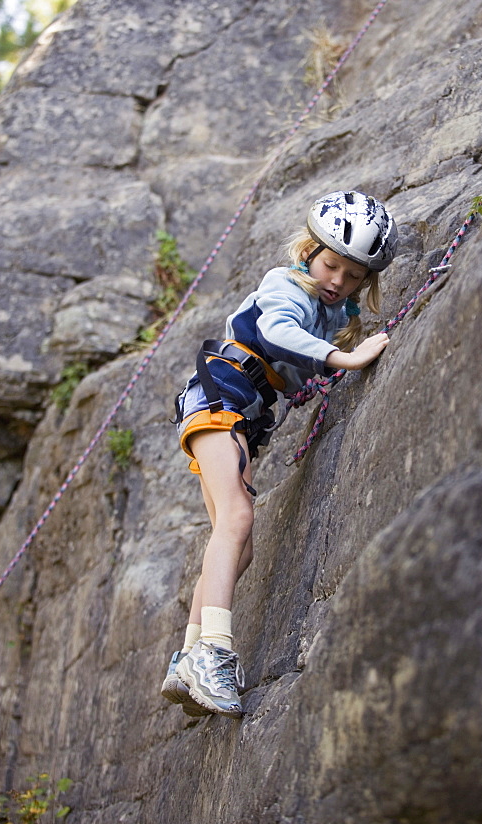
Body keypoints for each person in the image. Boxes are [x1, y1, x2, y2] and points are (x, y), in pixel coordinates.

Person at [161, 190, 399, 718]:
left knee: (236, 541)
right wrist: (346, 358)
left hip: (238, 412)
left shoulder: (328, 313)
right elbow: (275, 331)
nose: (337, 280)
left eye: (353, 275)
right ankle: (213, 653)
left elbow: (296, 364)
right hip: (220, 397)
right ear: (309, 252)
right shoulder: (284, 285)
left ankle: (187, 657)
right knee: (238, 518)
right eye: (330, 264)